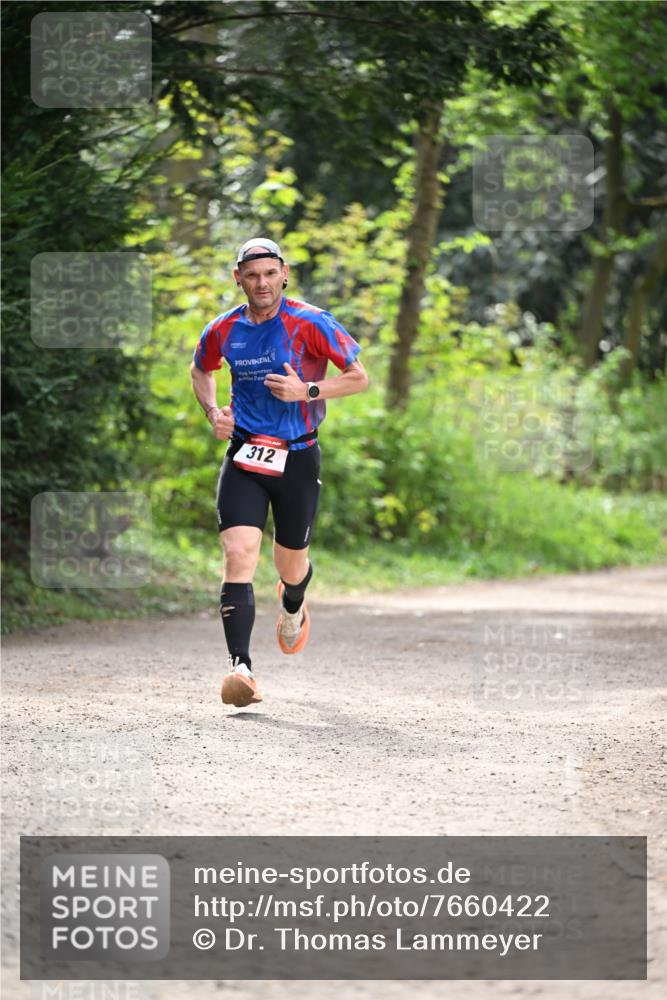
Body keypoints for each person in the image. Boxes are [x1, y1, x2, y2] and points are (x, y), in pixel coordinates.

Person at [190, 237, 369, 707]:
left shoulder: (311, 322)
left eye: (270, 274)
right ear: (238, 279)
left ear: (284, 274)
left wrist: (308, 391)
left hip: (298, 455)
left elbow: (358, 377)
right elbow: (200, 369)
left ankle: (293, 604)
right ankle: (241, 669)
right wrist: (213, 412)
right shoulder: (223, 329)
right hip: (245, 454)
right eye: (252, 275)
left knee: (291, 566)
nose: (262, 283)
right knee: (239, 551)